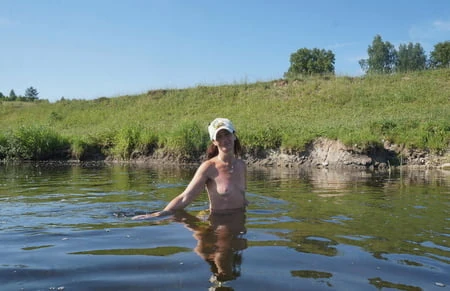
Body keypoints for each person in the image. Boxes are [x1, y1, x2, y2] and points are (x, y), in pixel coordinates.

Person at [132, 118, 248, 219]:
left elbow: (240, 196)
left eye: (227, 134)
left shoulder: (241, 165)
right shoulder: (208, 167)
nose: (224, 140)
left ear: (234, 135)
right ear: (214, 141)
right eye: (219, 136)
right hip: (219, 223)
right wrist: (161, 214)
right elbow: (185, 197)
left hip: (240, 221)